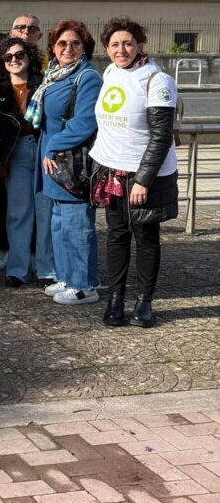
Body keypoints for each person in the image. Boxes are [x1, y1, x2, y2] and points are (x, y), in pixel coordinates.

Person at [91, 18, 179, 328]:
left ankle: (144, 302)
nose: (121, 49)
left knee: (146, 236)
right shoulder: (111, 72)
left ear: (139, 45)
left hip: (144, 175)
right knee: (116, 236)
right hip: (113, 171)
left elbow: (161, 135)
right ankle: (116, 299)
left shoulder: (157, 80)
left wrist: (143, 179)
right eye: (114, 44)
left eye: (127, 43)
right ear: (107, 49)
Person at [27, 19, 102, 305]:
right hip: (51, 157)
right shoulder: (54, 75)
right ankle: (67, 277)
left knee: (77, 224)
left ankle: (85, 285)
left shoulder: (87, 78)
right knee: (59, 223)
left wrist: (53, 147)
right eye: (62, 43)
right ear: (53, 48)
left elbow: (85, 122)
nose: (68, 48)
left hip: (69, 158)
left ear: (84, 48)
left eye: (75, 43)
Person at [0, 37, 44, 288]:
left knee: (46, 211)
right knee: (18, 212)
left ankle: (47, 267)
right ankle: (17, 270)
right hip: (14, 154)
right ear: (2, 63)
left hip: (44, 150)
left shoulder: (45, 84)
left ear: (29, 58)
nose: (14, 60)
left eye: (19, 55)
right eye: (8, 57)